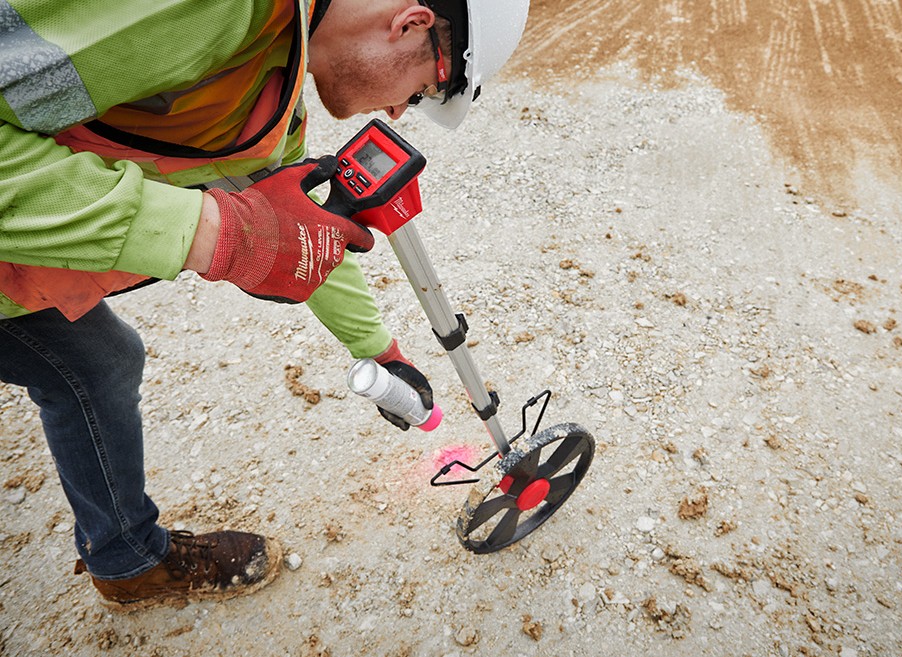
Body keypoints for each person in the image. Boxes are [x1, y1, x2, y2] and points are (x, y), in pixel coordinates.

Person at [0, 0, 529, 611]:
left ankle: (125, 561)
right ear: (410, 24)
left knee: (98, 365)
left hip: (22, 269)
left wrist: (380, 352)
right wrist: (213, 233)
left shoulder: (274, 84)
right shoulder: (221, 9)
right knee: (98, 365)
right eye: (422, 91)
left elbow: (309, 238)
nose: (396, 112)